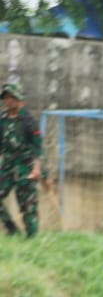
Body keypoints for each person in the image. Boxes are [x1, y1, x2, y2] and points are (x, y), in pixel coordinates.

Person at [0, 81, 43, 238]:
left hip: (26, 167)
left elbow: (37, 147)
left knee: (27, 205)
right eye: (5, 98)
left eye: (11, 97)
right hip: (7, 166)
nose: (8, 101)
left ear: (19, 99)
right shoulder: (2, 119)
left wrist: (37, 168)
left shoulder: (28, 120)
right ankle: (11, 229)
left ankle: (31, 239)